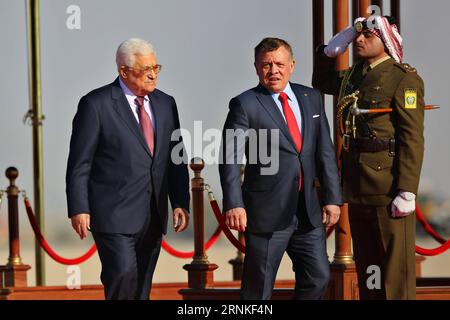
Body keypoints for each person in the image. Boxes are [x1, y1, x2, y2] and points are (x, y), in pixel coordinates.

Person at [66, 38, 190, 300]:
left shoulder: (167, 103)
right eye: (146, 69)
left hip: (153, 214)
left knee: (142, 287)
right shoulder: (95, 104)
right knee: (122, 276)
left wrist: (180, 201)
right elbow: (80, 162)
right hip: (112, 214)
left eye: (156, 67)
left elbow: (175, 156)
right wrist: (79, 207)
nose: (153, 74)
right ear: (123, 71)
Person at [219, 37, 342, 300]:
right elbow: (230, 157)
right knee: (258, 290)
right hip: (266, 213)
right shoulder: (245, 103)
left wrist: (332, 198)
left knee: (319, 278)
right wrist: (233, 203)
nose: (273, 70)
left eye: (279, 64)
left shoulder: (311, 97)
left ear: (292, 65)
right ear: (256, 67)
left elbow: (325, 152)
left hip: (308, 211)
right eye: (266, 65)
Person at [312, 16, 425, 300]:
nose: (359, 41)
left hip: (388, 187)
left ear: (385, 40)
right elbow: (322, 81)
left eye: (367, 36)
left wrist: (407, 189)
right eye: (356, 36)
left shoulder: (403, 78)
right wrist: (329, 51)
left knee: (394, 274)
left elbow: (412, 136)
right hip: (357, 183)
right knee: (370, 272)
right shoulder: (354, 75)